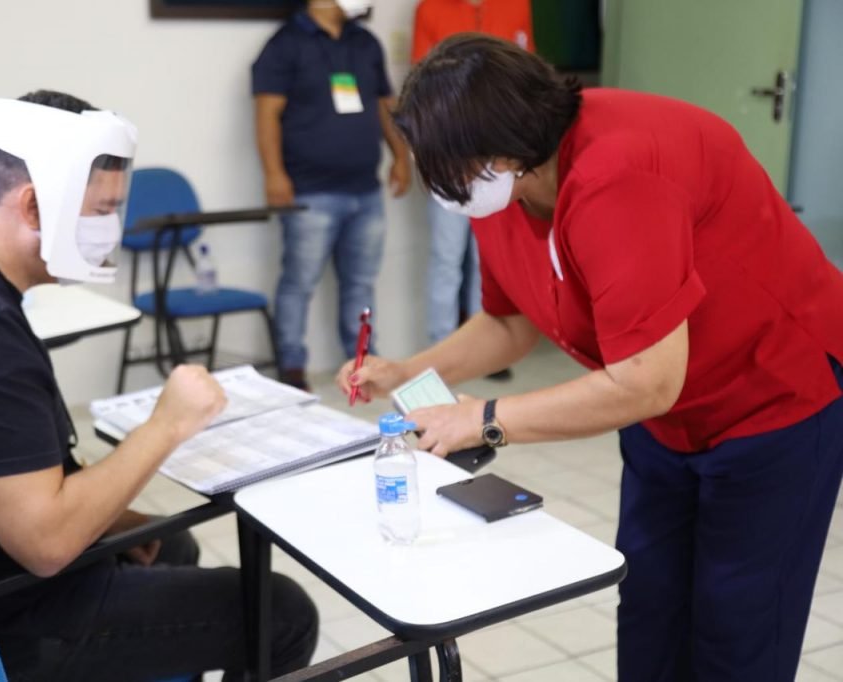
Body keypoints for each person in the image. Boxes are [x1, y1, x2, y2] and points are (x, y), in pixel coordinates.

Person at [337, 35, 843, 681]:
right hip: (665, 416)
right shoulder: (503, 186)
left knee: (737, 622)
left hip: (774, 396)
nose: (438, 184)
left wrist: (485, 418)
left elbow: (646, 382)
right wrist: (408, 371)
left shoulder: (617, 174)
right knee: (650, 604)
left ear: (501, 151)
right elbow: (509, 321)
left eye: (443, 164)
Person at [0, 90, 318, 681]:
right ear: (34, 205)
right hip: (6, 620)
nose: (111, 230)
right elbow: (46, 543)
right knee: (282, 614)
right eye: (100, 211)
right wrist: (166, 425)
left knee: (169, 544)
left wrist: (117, 519)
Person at [252, 0, 411, 391]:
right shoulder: (285, 44)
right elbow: (266, 113)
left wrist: (401, 157)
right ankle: (292, 368)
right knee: (298, 283)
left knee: (361, 285)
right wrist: (274, 174)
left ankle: (362, 364)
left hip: (366, 190)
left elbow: (384, 105)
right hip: (310, 192)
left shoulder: (366, 42)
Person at [411, 0, 533, 372]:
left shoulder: (516, 5)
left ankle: (490, 352)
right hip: (451, 156)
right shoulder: (432, 8)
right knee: (447, 258)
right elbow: (421, 84)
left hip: (502, 159)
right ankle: (441, 348)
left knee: (491, 260)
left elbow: (528, 77)